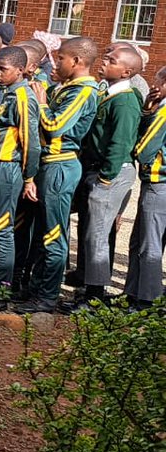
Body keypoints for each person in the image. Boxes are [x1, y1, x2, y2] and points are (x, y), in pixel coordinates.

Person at [21, 37, 101, 313]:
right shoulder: (68, 86)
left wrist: (42, 102)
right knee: (44, 230)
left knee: (54, 233)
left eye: (62, 58)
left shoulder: (83, 91)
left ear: (77, 61)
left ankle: (47, 296)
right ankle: (36, 288)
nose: (57, 63)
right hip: (49, 164)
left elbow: (54, 126)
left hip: (60, 165)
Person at [74, 43, 143, 306]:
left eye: (112, 60)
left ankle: (94, 298)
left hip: (111, 173)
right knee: (92, 231)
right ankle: (88, 285)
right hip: (99, 169)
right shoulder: (111, 93)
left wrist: (105, 177)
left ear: (126, 72)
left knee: (98, 234)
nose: (104, 61)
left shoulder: (125, 101)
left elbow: (121, 142)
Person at [0, 45, 40, 308]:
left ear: (20, 70)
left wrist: (29, 178)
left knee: (3, 231)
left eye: (3, 69)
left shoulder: (24, 98)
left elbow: (31, 142)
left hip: (8, 169)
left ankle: (0, 294)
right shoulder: (6, 94)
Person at [125, 65, 166, 307]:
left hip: (158, 182)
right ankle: (132, 291)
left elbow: (145, 148)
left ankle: (145, 300)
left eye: (157, 82)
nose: (153, 86)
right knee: (141, 238)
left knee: (149, 242)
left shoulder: (164, 113)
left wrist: (134, 153)